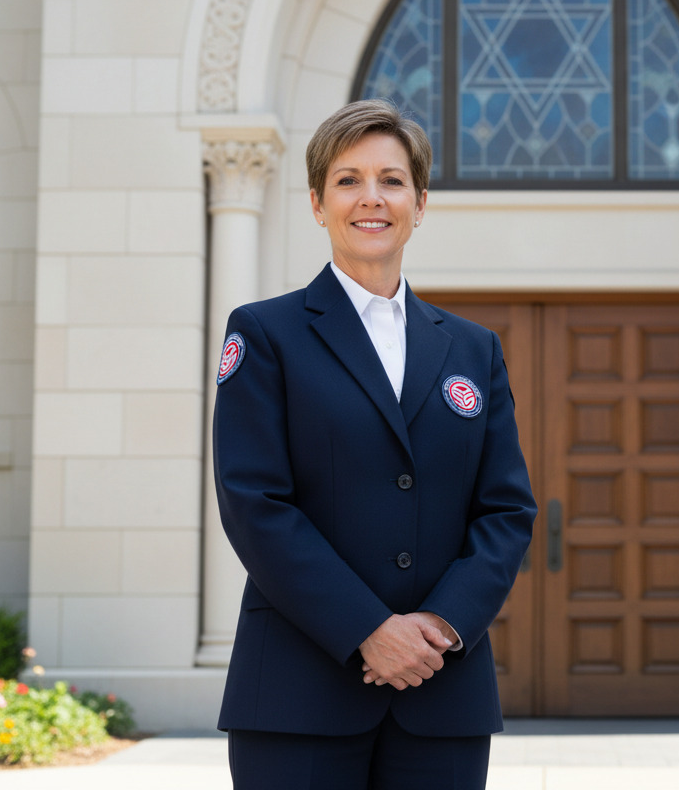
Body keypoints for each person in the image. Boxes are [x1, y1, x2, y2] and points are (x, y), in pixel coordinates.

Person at [211, 99, 537, 789]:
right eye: (348, 179)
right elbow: (254, 503)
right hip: (299, 695)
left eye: (391, 180)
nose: (372, 198)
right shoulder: (267, 335)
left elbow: (506, 510)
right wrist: (368, 628)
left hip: (441, 694)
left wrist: (443, 626)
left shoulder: (474, 350)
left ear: (420, 203)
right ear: (317, 202)